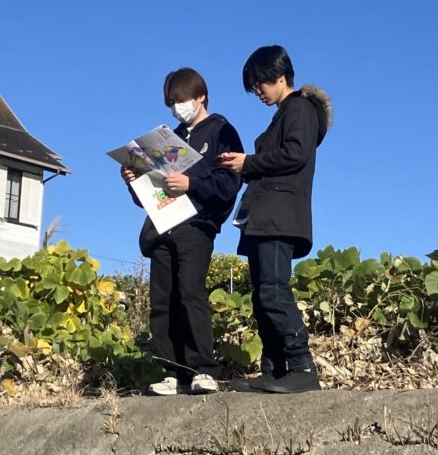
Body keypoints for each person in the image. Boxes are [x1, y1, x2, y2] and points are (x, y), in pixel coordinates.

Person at [121, 67, 243, 395]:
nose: (177, 108)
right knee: (162, 298)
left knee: (190, 291)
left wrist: (192, 183)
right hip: (163, 224)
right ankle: (171, 371)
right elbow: (149, 195)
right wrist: (134, 181)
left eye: (181, 100)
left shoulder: (222, 130)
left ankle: (204, 368)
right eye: (171, 103)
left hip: (197, 224)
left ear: (200, 96)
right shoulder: (168, 138)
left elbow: (229, 183)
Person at [218, 45, 331, 394]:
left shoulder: (300, 108)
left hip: (279, 217)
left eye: (260, 84)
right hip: (265, 217)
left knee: (273, 291)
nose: (257, 92)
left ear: (280, 76)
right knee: (262, 295)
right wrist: (242, 167)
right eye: (253, 87)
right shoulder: (284, 113)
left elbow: (296, 153)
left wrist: (249, 163)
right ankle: (274, 369)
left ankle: (302, 366)